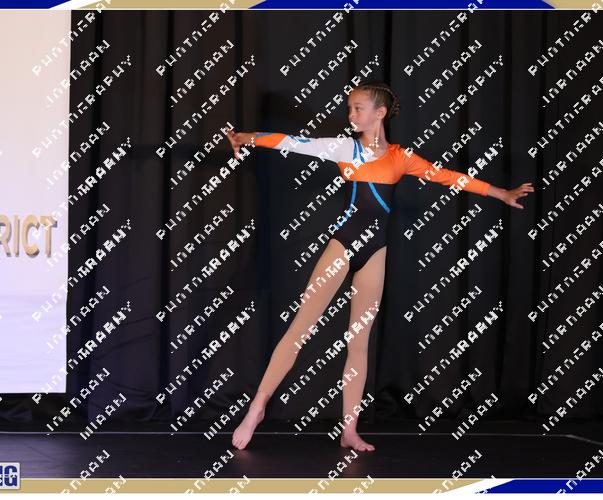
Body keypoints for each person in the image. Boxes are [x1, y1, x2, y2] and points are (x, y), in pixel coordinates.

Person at [224, 80, 533, 452]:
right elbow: (292, 142)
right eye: (349, 108)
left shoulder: (401, 158)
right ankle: (257, 408)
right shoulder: (345, 148)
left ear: (380, 113)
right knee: (300, 330)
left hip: (376, 253)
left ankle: (349, 430)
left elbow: (449, 177)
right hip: (342, 248)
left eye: (357, 108)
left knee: (359, 344)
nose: (350, 114)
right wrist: (246, 138)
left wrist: (501, 193)